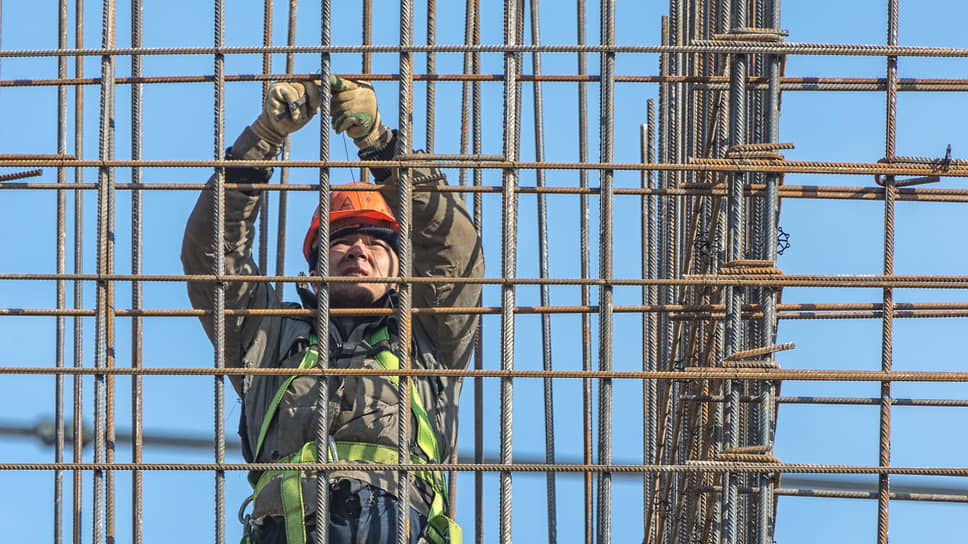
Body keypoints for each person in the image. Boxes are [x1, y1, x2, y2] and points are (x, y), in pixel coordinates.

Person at [181, 75, 484, 544]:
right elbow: (211, 256)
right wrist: (263, 139)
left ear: (402, 264)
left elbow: (453, 248)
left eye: (375, 242)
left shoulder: (429, 337)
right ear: (316, 262)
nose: (358, 251)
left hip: (396, 522)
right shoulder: (268, 337)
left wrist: (382, 145)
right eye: (341, 241)